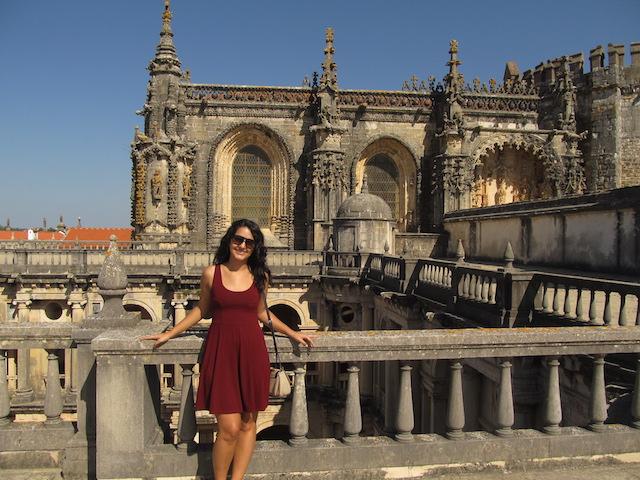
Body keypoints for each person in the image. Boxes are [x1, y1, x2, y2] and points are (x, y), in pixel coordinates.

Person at [141, 219, 314, 480]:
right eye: (238, 239)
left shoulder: (260, 276)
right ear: (229, 241)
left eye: (249, 242)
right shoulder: (212, 273)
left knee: (248, 424)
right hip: (221, 352)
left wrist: (293, 333)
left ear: (255, 248)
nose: (242, 245)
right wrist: (169, 333)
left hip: (252, 353)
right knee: (228, 428)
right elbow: (201, 310)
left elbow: (262, 313)